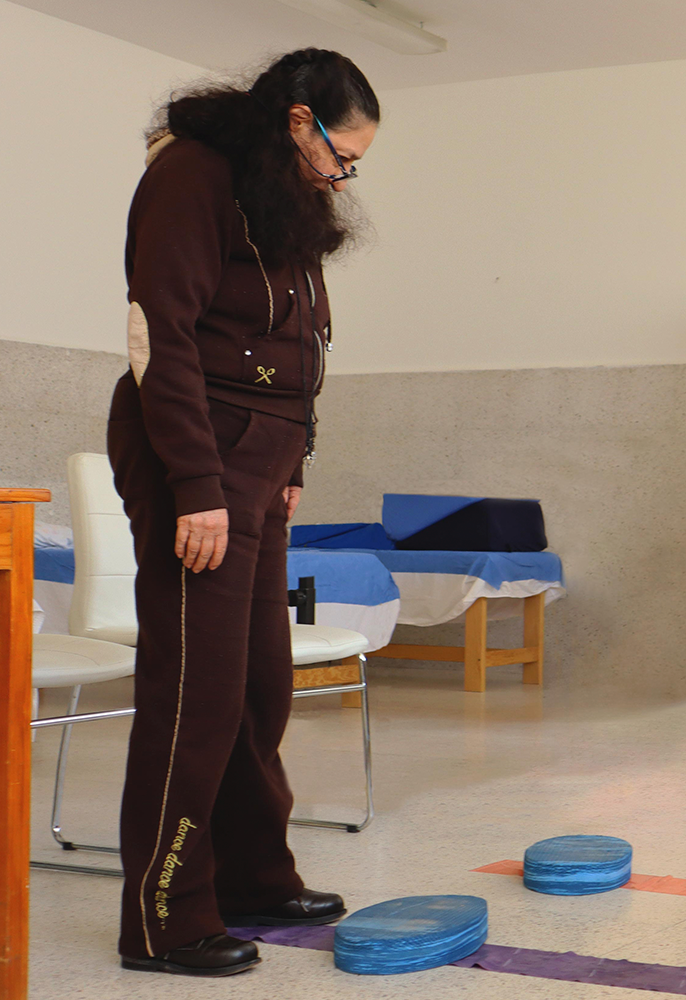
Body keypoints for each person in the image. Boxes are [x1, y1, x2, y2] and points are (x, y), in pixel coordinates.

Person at [109, 49, 379, 977]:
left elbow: (298, 341)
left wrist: (293, 459)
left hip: (261, 460)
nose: (343, 177)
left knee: (261, 684)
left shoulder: (279, 194)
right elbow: (160, 332)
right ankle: (164, 919)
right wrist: (197, 485)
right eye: (343, 156)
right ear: (300, 121)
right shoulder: (192, 174)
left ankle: (254, 878)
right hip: (199, 452)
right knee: (199, 690)